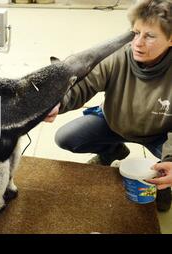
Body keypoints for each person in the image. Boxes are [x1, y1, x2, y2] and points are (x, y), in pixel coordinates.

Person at [45, 0, 172, 212]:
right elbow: (85, 85)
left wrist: (171, 161)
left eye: (149, 36)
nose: (138, 43)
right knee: (66, 137)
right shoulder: (119, 55)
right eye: (135, 32)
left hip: (159, 134)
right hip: (113, 122)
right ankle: (112, 151)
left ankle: (162, 179)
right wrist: (59, 102)